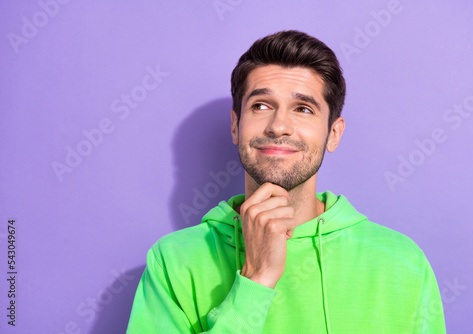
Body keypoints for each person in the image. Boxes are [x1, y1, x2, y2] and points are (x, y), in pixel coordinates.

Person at [126, 30, 446, 333]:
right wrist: (257, 279)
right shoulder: (172, 261)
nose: (279, 126)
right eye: (261, 106)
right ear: (236, 126)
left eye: (303, 108)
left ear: (333, 133)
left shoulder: (403, 263)